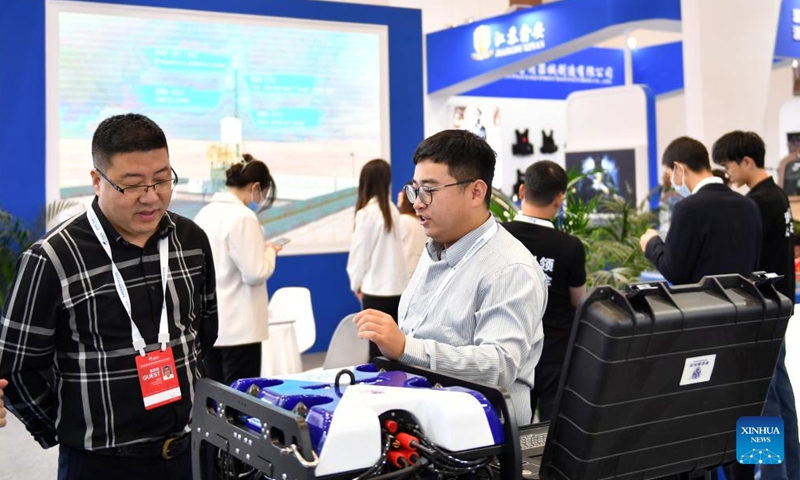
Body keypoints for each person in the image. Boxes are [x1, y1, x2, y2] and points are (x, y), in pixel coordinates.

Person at [0, 113, 218, 479]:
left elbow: (204, 330)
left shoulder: (191, 241)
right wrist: (69, 424)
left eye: (162, 179)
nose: (151, 197)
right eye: (133, 185)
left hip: (189, 451)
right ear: (97, 181)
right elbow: (18, 367)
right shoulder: (52, 258)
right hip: (101, 463)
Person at [353, 129, 547, 426]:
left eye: (429, 190)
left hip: (480, 443)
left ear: (476, 192)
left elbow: (498, 365)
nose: (417, 203)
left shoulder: (510, 268)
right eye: (415, 189)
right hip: (423, 423)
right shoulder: (434, 249)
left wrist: (406, 348)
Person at [712, 130, 799, 480]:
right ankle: (788, 470)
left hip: (760, 312)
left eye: (729, 165)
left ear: (747, 161)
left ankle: (770, 474)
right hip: (776, 306)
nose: (728, 174)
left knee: (761, 401)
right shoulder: (775, 195)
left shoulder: (756, 203)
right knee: (779, 394)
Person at [502, 160, 586, 422]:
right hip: (554, 353)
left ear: (523, 191)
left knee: (512, 432)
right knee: (552, 432)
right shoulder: (570, 246)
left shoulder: (498, 236)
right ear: (559, 199)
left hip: (509, 350)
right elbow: (578, 300)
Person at [194, 154, 282, 385]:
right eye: (261, 191)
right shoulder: (243, 216)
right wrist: (270, 252)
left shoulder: (205, 214)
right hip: (240, 330)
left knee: (216, 400)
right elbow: (255, 273)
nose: (260, 198)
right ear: (255, 187)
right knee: (242, 402)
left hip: (212, 328)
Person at [638, 136, 761, 285]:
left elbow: (675, 271)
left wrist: (652, 244)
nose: (672, 183)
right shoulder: (748, 205)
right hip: (744, 303)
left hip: (704, 305)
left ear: (678, 168)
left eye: (670, 175)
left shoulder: (688, 209)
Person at [347, 159, 409, 359]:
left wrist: (356, 284)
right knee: (391, 350)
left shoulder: (367, 213)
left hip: (375, 291)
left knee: (375, 351)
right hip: (397, 290)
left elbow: (359, 254)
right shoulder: (391, 210)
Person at [397, 180, 427, 279]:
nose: (399, 194)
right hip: (420, 275)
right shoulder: (425, 222)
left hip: (404, 279)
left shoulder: (402, 221)